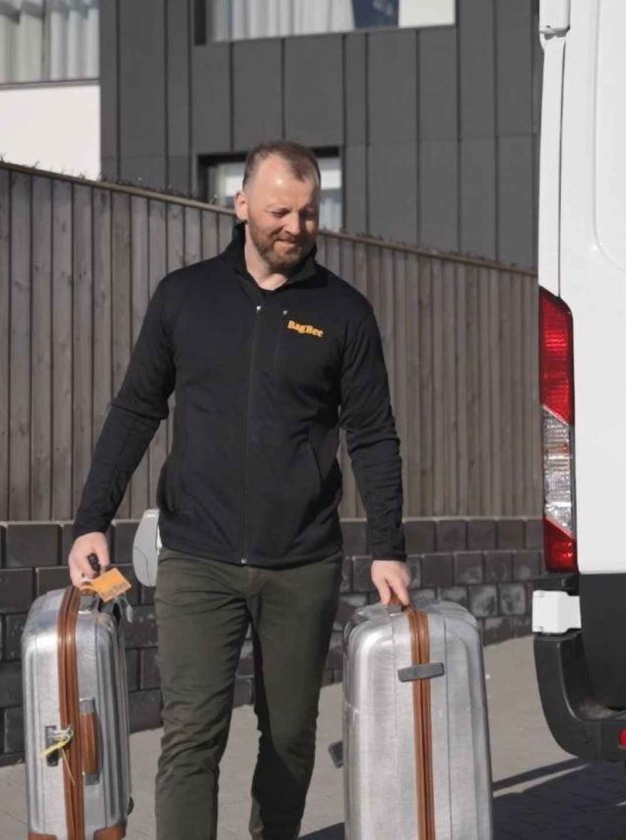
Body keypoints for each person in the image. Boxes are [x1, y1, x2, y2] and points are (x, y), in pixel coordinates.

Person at [66, 140, 411, 840]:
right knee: (191, 736)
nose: (295, 226)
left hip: (303, 562)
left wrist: (387, 547)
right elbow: (136, 408)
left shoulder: (344, 312)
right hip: (197, 556)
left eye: (310, 213)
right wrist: (91, 518)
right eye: (280, 210)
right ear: (242, 204)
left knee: (289, 738)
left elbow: (372, 433)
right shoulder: (184, 296)